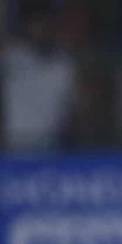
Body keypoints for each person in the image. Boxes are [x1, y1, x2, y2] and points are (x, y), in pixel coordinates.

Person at [2, 1, 77, 151]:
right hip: (15, 143)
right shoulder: (14, 57)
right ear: (27, 27)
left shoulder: (64, 64)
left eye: (46, 24)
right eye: (36, 25)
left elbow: (69, 110)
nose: (41, 30)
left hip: (52, 145)